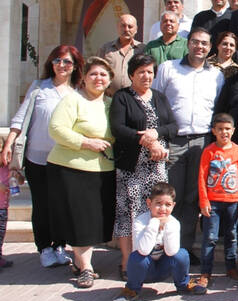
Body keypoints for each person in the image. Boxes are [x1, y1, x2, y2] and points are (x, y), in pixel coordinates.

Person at [1, 45, 83, 268]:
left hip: (65, 158)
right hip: (37, 158)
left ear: (75, 66)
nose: (62, 65)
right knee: (42, 204)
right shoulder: (39, 87)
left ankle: (60, 245)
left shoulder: (77, 92)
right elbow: (20, 118)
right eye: (58, 61)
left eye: (67, 62)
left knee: (62, 204)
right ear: (51, 63)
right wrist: (9, 143)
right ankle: (44, 247)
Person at [152, 27, 225, 259]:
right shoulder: (168, 69)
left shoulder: (216, 75)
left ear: (210, 47)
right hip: (173, 140)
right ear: (188, 43)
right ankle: (165, 247)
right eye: (195, 42)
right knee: (171, 195)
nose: (199, 47)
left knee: (193, 196)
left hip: (201, 141)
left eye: (204, 43)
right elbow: (155, 102)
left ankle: (183, 248)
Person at [47, 57, 116, 288]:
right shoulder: (73, 100)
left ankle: (79, 260)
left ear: (110, 80)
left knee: (95, 220)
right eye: (93, 74)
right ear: (84, 78)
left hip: (103, 170)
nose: (98, 79)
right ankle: (86, 268)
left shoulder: (111, 104)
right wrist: (86, 143)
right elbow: (56, 129)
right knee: (81, 220)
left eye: (103, 75)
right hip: (71, 169)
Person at [109, 53, 176, 281]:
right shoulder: (122, 97)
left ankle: (152, 260)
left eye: (149, 71)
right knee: (129, 215)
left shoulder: (159, 97)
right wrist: (146, 139)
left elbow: (173, 126)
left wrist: (157, 134)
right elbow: (118, 128)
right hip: (131, 169)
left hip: (156, 169)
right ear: (131, 75)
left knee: (155, 212)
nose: (146, 76)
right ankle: (128, 262)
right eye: (141, 72)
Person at [111, 183, 203, 301]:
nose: (163, 209)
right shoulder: (140, 221)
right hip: (145, 270)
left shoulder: (174, 223)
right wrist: (154, 224)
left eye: (168, 205)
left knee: (182, 254)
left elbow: (171, 251)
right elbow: (143, 250)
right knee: (136, 257)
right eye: (158, 204)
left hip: (164, 268)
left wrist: (167, 227)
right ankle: (132, 289)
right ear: (149, 203)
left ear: (173, 206)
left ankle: (183, 284)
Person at [195, 113, 238, 292]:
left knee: (231, 235)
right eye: (220, 129)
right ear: (213, 131)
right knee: (210, 237)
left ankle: (231, 267)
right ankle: (205, 272)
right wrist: (203, 201)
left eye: (227, 129)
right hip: (213, 202)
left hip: (233, 202)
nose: (224, 132)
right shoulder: (209, 151)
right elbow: (202, 177)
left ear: (233, 131)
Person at [96, 14, 144, 96]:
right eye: (123, 26)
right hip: (109, 98)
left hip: (135, 98)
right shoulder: (105, 48)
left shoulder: (142, 49)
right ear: (118, 27)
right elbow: (96, 69)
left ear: (136, 29)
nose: (126, 29)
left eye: (130, 26)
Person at [0, 166, 15, 269]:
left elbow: (21, 182)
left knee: (1, 232)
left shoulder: (8, 168)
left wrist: (17, 177)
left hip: (3, 206)